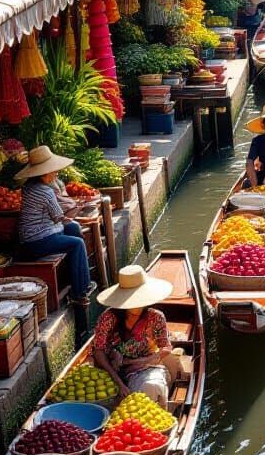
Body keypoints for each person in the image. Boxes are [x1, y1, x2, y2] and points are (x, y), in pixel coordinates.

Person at [15, 146, 94, 300]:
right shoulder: (46, 191)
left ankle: (79, 272)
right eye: (53, 170)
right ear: (44, 173)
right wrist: (78, 208)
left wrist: (71, 216)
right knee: (77, 243)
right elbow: (59, 217)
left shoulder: (28, 187)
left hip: (36, 236)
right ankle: (81, 289)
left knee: (73, 227)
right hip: (37, 241)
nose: (56, 173)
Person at [93, 265, 174, 404]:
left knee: (152, 387)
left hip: (144, 369)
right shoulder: (108, 318)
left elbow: (166, 347)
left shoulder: (155, 317)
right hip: (110, 370)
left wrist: (145, 360)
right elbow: (98, 350)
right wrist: (118, 382)